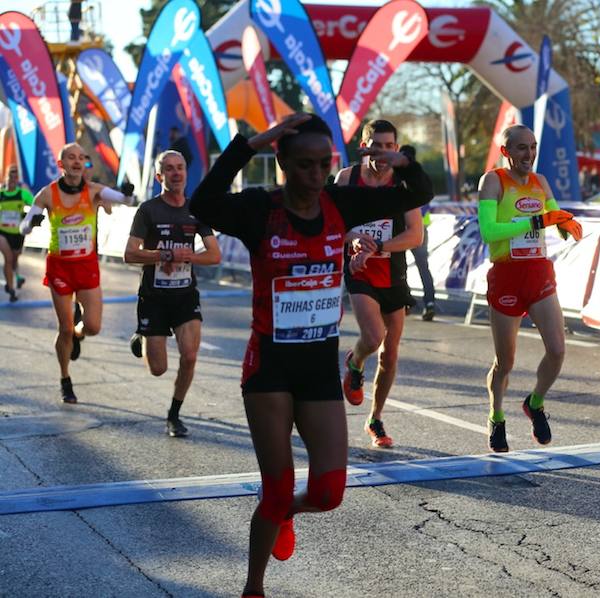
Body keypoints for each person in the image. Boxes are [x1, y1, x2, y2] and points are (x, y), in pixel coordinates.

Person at [188, 113, 432, 598]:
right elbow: (203, 202)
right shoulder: (261, 209)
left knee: (327, 494)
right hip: (270, 368)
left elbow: (416, 193)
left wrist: (401, 160)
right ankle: (253, 586)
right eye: (304, 164)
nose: (315, 174)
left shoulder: (340, 202)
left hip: (320, 369)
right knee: (276, 490)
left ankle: (284, 513)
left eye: (324, 164)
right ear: (281, 161)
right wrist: (249, 143)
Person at [477, 124, 583, 453]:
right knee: (505, 362)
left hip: (538, 273)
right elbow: (488, 232)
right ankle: (496, 416)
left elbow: (553, 216)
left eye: (533, 147)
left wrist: (567, 225)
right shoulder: (492, 180)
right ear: (506, 151)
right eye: (522, 148)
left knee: (557, 349)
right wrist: (537, 221)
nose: (529, 154)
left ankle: (534, 403)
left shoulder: (541, 182)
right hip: (507, 274)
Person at [19, 143, 135, 404]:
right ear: (61, 164)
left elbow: (124, 201)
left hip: (86, 266)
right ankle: (65, 378)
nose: (77, 161)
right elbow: (24, 227)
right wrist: (32, 223)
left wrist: (127, 192)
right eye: (71, 157)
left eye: (81, 158)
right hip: (60, 267)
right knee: (64, 329)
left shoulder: (94, 191)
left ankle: (79, 334)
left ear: (84, 164)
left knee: (92, 327)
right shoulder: (46, 194)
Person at [336, 121, 427, 448]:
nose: (383, 152)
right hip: (359, 271)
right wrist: (354, 238)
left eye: (389, 146)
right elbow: (331, 226)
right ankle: (356, 361)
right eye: (376, 145)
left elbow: (415, 234)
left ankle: (375, 419)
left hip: (393, 272)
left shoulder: (403, 184)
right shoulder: (347, 179)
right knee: (373, 337)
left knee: (390, 354)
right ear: (364, 145)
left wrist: (379, 246)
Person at [124, 150, 221, 437]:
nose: (176, 173)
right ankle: (142, 336)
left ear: (186, 173)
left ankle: (174, 415)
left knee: (189, 356)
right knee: (158, 369)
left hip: (184, 296)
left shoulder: (196, 210)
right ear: (159, 176)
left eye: (180, 167)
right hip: (153, 297)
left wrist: (186, 257)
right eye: (169, 169)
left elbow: (214, 255)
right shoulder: (149, 210)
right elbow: (130, 254)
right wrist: (164, 254)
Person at [400, 144, 437, 321]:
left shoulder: (399, 176)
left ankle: (406, 301)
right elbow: (427, 201)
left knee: (400, 265)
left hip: (405, 230)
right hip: (421, 229)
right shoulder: (421, 176)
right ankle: (429, 302)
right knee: (423, 267)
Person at [0, 166, 34, 302]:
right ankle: (11, 287)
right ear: (6, 177)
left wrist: (30, 222)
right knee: (8, 259)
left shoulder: (22, 193)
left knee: (14, 260)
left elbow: (35, 205)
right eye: (10, 176)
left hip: (18, 233)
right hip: (2, 232)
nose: (12, 180)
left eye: (15, 177)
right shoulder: (1, 194)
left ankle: (15, 278)